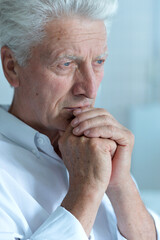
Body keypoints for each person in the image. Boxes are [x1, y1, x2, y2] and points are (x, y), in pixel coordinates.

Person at [0, 0, 160, 239]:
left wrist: (121, 186)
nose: (90, 88)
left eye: (99, 62)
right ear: (12, 67)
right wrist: (86, 190)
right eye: (66, 64)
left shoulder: (97, 146)